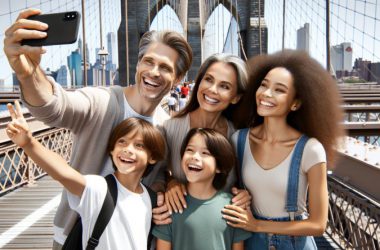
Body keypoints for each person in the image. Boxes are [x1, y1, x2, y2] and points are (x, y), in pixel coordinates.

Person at [3, 8, 192, 247]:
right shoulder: (102, 102)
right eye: (148, 61)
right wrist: (27, 73)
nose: (154, 72)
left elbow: (159, 175)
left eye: (165, 67)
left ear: (178, 79)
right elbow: (54, 107)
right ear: (138, 64)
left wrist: (170, 183)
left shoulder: (167, 127)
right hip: (78, 238)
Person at [221, 50, 345, 249]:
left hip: (295, 243)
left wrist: (257, 225)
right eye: (263, 84)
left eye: (279, 90)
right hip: (251, 242)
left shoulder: (310, 150)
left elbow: (318, 224)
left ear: (295, 103)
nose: (266, 94)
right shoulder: (239, 140)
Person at [6, 101, 165, 250]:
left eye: (139, 145)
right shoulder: (100, 189)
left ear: (153, 157)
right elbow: (63, 173)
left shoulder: (150, 199)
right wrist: (29, 143)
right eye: (122, 142)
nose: (128, 149)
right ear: (111, 150)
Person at [158, 53, 250, 218]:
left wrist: (245, 195)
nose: (212, 89)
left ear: (236, 98)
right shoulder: (169, 129)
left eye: (225, 86)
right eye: (208, 79)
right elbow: (156, 173)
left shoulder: (239, 137)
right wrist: (170, 183)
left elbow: (245, 183)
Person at [153, 128, 252, 250]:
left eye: (205, 153)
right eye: (189, 150)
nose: (195, 156)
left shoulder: (233, 207)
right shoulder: (170, 205)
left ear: (219, 166)